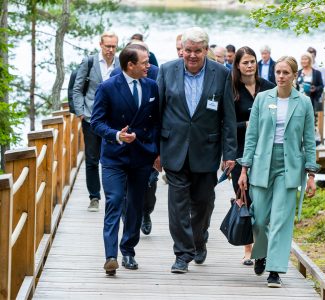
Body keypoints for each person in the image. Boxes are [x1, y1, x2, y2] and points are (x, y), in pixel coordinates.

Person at [157, 26, 237, 274]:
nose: (191, 55)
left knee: (203, 202)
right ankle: (182, 254)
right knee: (178, 205)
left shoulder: (221, 73)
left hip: (207, 149)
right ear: (181, 50)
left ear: (206, 51)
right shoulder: (167, 70)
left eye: (197, 51)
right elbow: (157, 112)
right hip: (174, 148)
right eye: (187, 50)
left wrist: (230, 153)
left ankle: (199, 239)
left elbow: (228, 117)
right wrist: (155, 151)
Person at [238, 56, 319, 288]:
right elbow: (251, 136)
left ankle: (275, 269)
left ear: (295, 75)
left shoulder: (303, 103)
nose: (281, 76)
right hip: (263, 163)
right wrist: (244, 169)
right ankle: (261, 253)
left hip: (289, 165)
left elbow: (309, 141)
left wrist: (311, 174)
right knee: (260, 218)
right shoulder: (263, 99)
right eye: (278, 72)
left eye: (286, 72)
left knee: (282, 219)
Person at [91, 44, 161, 275]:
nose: (148, 66)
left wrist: (157, 152)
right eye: (144, 63)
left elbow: (156, 122)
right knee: (114, 201)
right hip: (114, 156)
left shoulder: (152, 86)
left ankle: (128, 251)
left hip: (142, 155)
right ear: (130, 65)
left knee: (134, 206)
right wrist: (116, 135)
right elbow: (96, 122)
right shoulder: (107, 87)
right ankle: (111, 255)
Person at [231, 46, 275, 266]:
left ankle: (261, 247)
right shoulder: (232, 90)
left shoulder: (268, 88)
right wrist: (246, 125)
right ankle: (248, 249)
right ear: (237, 65)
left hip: (266, 152)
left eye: (252, 61)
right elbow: (226, 124)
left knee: (263, 202)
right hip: (240, 153)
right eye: (245, 62)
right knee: (245, 199)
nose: (250, 65)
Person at [73, 31, 120, 212]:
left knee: (112, 158)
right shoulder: (89, 62)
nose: (110, 50)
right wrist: (80, 112)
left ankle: (113, 195)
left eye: (113, 46)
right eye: (107, 46)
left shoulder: (119, 63)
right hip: (91, 117)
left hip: (113, 120)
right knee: (92, 159)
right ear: (100, 44)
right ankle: (94, 197)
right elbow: (77, 89)